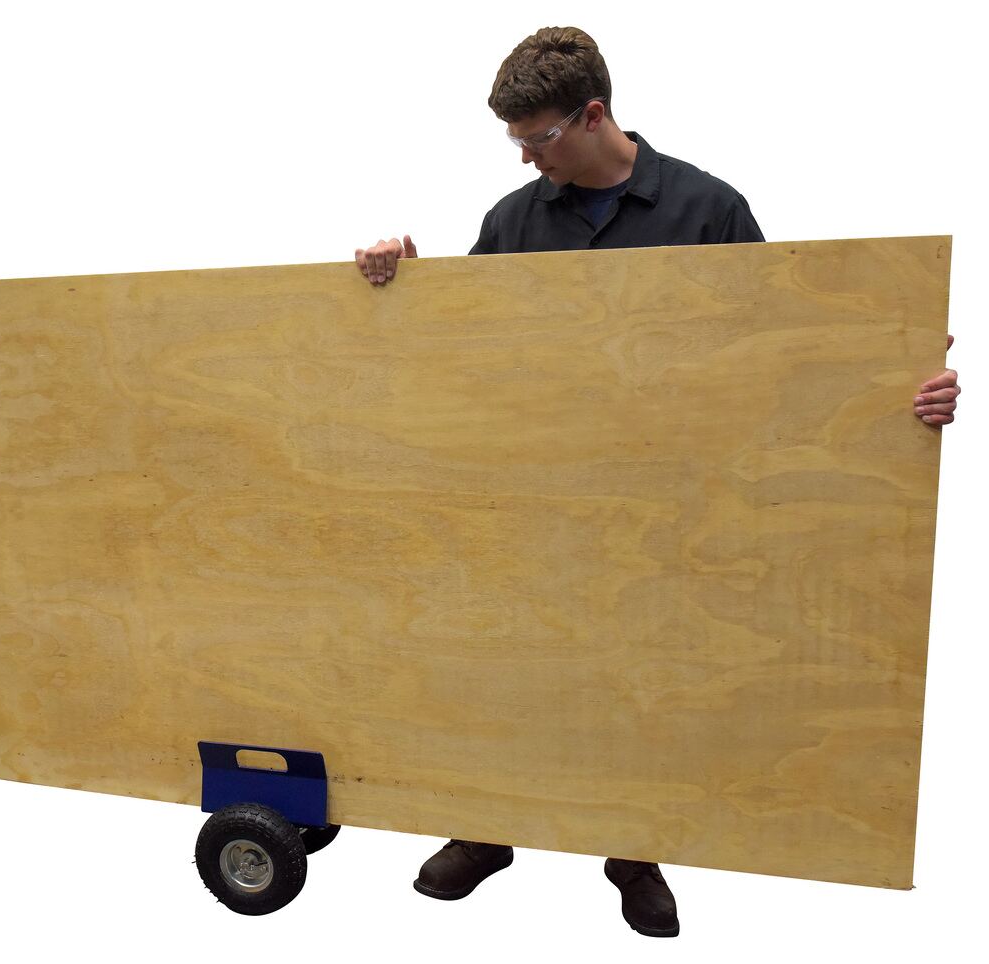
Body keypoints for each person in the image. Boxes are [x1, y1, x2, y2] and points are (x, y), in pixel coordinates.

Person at [352, 25, 960, 936]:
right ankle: (484, 827)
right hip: (536, 494)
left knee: (650, 671)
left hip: (669, 504)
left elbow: (788, 349)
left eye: (538, 137)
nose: (525, 156)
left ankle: (636, 848)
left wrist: (894, 375)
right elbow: (460, 358)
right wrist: (398, 282)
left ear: (594, 115)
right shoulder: (513, 222)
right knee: (508, 660)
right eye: (515, 141)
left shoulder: (708, 209)